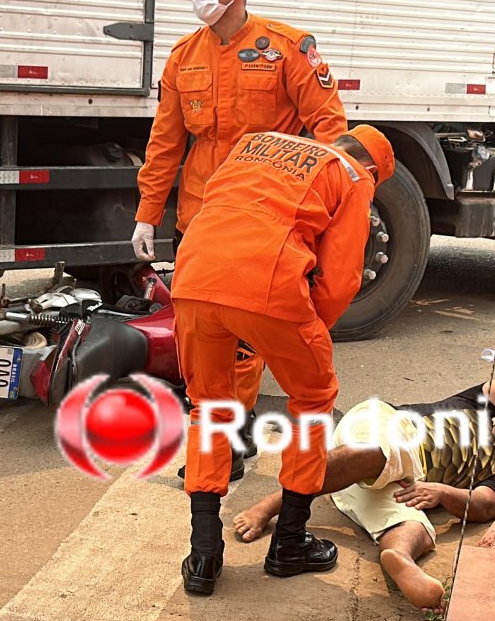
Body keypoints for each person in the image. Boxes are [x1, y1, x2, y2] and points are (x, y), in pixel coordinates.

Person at [130, 0, 350, 470]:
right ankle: (221, 434)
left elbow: (331, 133)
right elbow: (165, 143)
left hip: (264, 218)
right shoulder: (184, 56)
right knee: (200, 336)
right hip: (201, 218)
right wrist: (147, 211)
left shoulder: (289, 49)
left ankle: (226, 443)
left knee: (246, 339)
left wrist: (325, 215)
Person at [170, 125, 396, 595]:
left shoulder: (256, 143)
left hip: (193, 278)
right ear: (373, 169)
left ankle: (204, 554)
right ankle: (289, 544)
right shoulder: (354, 176)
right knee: (312, 401)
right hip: (269, 285)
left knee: (209, 406)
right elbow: (340, 280)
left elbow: (213, 204)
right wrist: (301, 330)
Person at [231, 373, 495, 612]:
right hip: (380, 428)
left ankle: (400, 562)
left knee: (414, 526)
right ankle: (274, 503)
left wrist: (444, 493)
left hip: (379, 486)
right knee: (388, 452)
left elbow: (482, 506)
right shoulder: (475, 406)